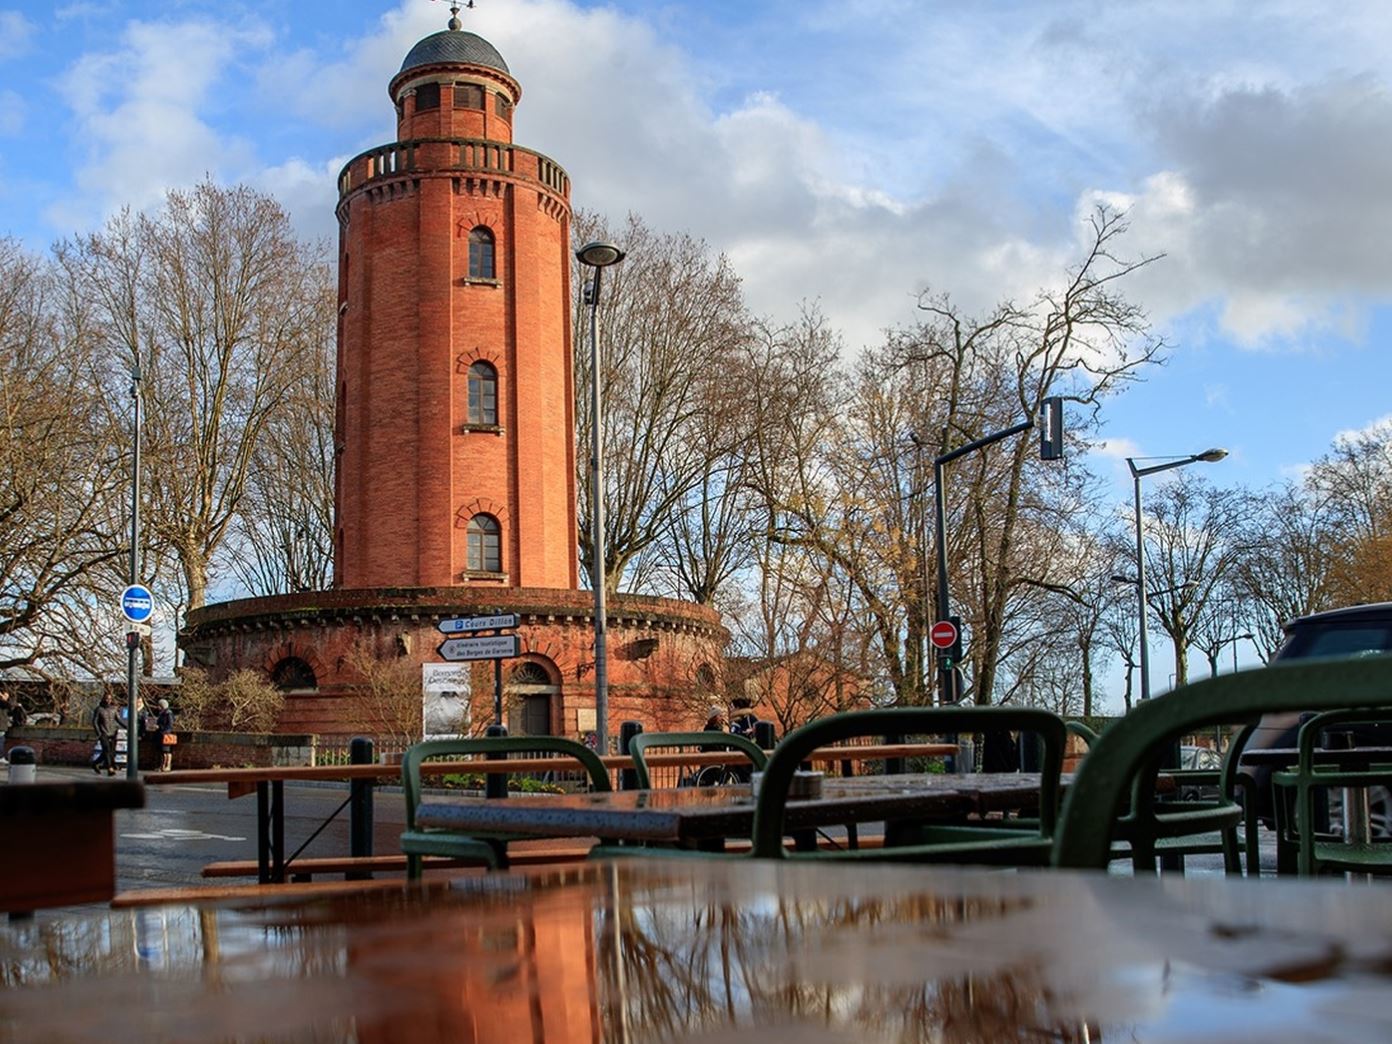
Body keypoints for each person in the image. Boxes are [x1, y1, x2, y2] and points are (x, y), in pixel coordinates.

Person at [92, 693, 122, 777]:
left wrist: (127, 727)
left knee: (109, 752)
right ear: (103, 699)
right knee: (107, 750)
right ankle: (110, 768)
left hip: (112, 733)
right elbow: (95, 722)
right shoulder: (99, 709)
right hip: (103, 733)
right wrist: (99, 733)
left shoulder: (114, 709)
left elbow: (118, 720)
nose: (107, 700)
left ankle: (95, 763)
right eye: (106, 698)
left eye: (109, 699)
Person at [155, 698, 175, 773]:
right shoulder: (162, 713)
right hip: (161, 734)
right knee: (162, 752)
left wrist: (162, 729)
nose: (158, 707)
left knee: (166, 752)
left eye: (159, 706)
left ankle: (166, 766)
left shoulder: (168, 713)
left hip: (166, 735)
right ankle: (161, 766)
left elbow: (170, 725)